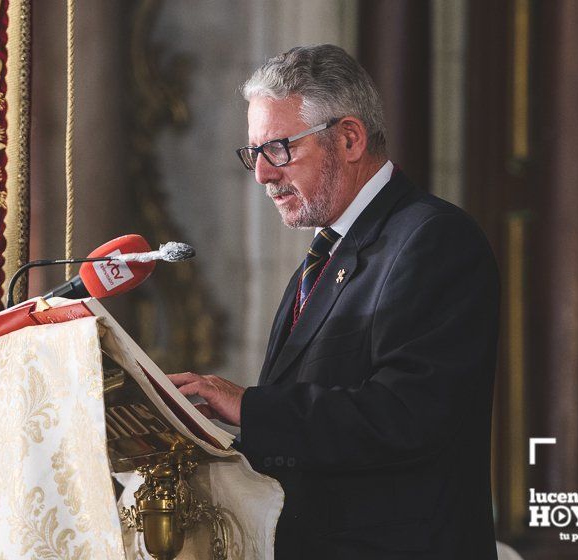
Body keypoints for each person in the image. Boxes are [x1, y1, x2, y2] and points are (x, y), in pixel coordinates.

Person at [169, 44, 499, 560]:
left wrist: (250, 408)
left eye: (278, 148)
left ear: (348, 138)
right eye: (253, 153)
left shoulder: (434, 239)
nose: (262, 175)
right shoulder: (328, 252)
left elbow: (406, 415)